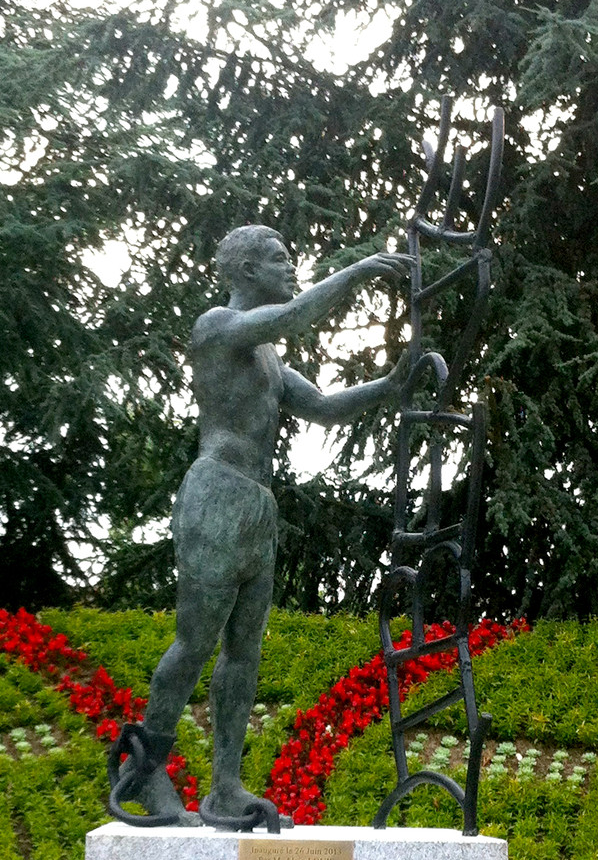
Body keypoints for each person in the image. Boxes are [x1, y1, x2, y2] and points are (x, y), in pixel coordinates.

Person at [116, 224, 410, 826]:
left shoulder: (270, 359)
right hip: (216, 494)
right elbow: (292, 316)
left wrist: (394, 382)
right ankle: (145, 771)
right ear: (246, 271)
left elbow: (324, 406)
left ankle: (225, 787)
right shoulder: (216, 328)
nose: (290, 268)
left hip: (256, 505)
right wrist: (358, 271)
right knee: (195, 642)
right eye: (279, 260)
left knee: (243, 652)